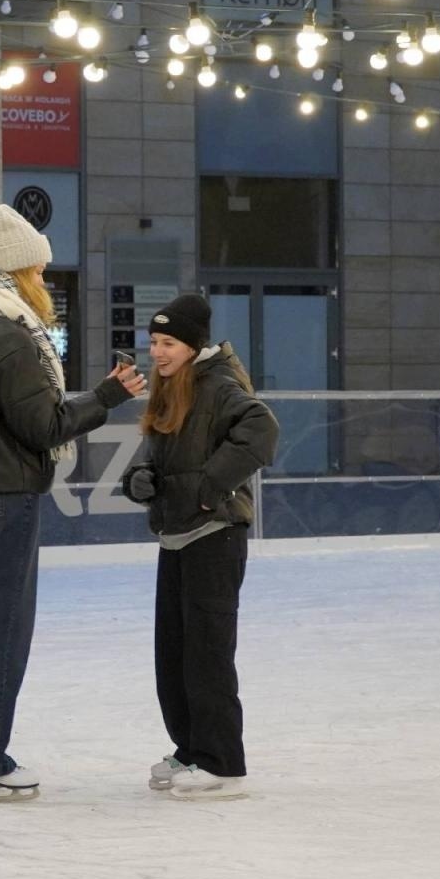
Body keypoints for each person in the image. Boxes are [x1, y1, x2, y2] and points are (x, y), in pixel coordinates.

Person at [0, 204, 146, 799]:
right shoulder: (10, 337)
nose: (44, 284)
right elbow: (44, 426)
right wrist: (109, 395)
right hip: (4, 494)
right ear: (16, 274)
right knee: (2, 624)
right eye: (39, 273)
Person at [120, 294, 279, 801]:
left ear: (192, 345)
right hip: (177, 534)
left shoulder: (219, 384)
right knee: (174, 652)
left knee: (207, 652)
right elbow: (156, 450)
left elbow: (261, 431)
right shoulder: (174, 387)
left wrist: (210, 488)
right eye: (154, 343)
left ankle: (221, 761)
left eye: (168, 343)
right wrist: (140, 477)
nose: (158, 353)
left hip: (215, 534)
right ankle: (190, 748)